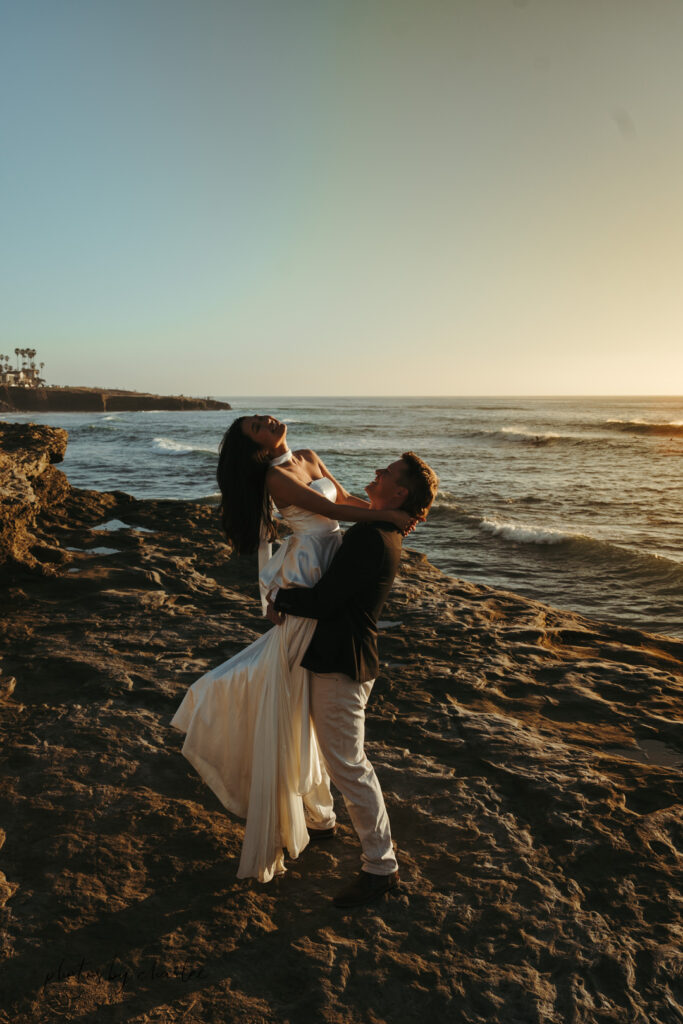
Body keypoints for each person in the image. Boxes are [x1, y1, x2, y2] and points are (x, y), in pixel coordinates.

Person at [171, 414, 415, 883]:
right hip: (309, 561)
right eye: (255, 429)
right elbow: (339, 514)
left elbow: (344, 499)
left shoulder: (306, 457)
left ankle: (320, 815)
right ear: (256, 446)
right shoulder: (273, 477)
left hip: (333, 556)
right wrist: (385, 515)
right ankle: (313, 810)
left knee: (301, 686)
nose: (266, 422)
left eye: (262, 419)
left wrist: (386, 523)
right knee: (289, 672)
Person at [268, 451, 439, 908]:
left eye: (387, 473)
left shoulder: (372, 537)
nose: (378, 473)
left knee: (349, 763)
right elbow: (332, 497)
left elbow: (326, 601)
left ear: (399, 493)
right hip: (336, 654)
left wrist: (279, 598)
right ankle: (322, 821)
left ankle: (382, 866)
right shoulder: (378, 528)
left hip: (344, 662)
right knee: (328, 749)